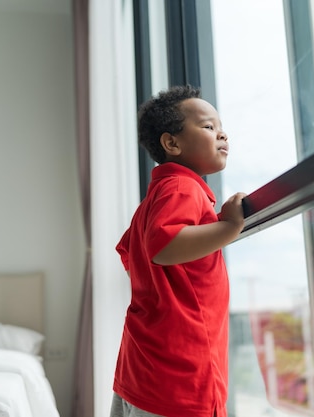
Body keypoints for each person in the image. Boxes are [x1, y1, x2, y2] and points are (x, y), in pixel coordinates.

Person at [110, 85, 247, 417]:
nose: (222, 134)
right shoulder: (183, 186)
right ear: (171, 143)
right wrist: (229, 227)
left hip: (141, 368)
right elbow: (166, 246)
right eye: (209, 126)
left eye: (221, 126)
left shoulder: (152, 201)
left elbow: (131, 253)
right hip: (178, 378)